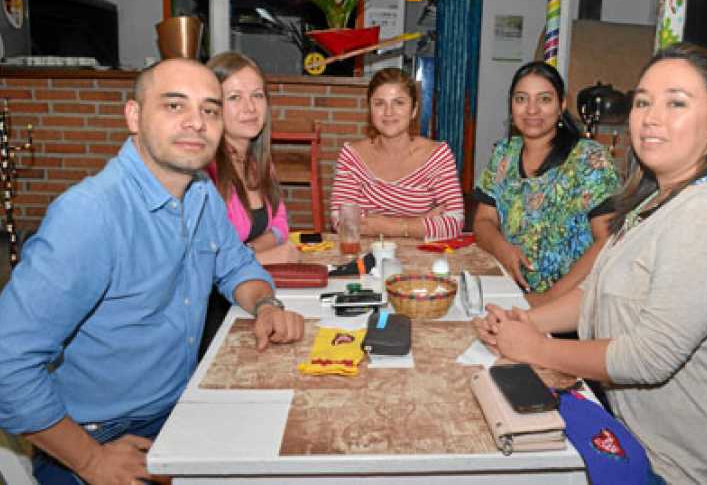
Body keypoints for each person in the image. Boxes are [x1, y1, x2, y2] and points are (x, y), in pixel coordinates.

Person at [474, 43, 707, 483]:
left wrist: (536, 347)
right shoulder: (657, 198)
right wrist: (528, 320)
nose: (651, 117)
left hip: (683, 463)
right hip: (627, 422)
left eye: (676, 102)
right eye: (643, 102)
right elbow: (599, 289)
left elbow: (648, 358)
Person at [0, 58, 305, 484]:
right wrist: (90, 461)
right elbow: (7, 362)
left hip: (177, 411)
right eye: (175, 106)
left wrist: (266, 305)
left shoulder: (200, 194)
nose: (196, 123)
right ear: (134, 115)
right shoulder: (90, 215)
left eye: (210, 110)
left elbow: (237, 266)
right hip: (98, 438)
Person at [473, 61, 619, 307]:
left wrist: (548, 299)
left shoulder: (589, 159)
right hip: (513, 293)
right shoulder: (504, 154)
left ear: (561, 105)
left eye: (544, 99)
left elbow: (608, 240)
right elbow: (483, 221)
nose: (532, 110)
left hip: (572, 306)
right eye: (521, 99)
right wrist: (503, 249)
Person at [329, 67, 464, 241]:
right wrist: (420, 222)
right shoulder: (352, 156)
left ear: (414, 110)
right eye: (379, 103)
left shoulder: (438, 156)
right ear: (370, 110)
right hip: (364, 258)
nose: (388, 112)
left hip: (421, 260)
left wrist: (387, 226)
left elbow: (455, 221)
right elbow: (341, 222)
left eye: (399, 103)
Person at [206, 51, 298, 266]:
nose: (250, 108)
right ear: (211, 107)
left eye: (257, 95)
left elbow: (280, 223)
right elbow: (200, 263)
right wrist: (262, 258)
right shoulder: (204, 172)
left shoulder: (258, 162)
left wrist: (247, 252)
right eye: (235, 97)